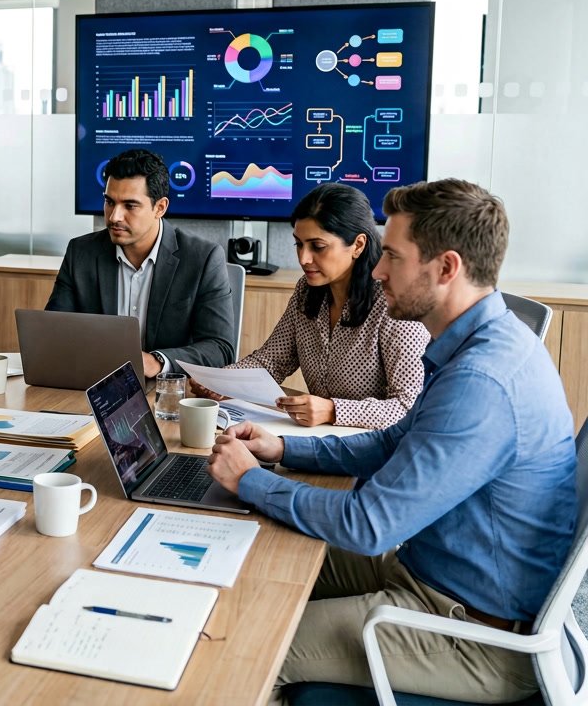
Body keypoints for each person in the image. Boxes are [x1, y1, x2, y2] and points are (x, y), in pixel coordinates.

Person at [207, 179, 577, 704]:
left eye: (393, 256)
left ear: (446, 268)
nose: (377, 269)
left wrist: (251, 482)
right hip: (430, 571)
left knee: (251, 640)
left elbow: (368, 525)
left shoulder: (483, 382)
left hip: (472, 632)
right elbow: (389, 442)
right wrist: (284, 450)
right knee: (258, 554)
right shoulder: (477, 342)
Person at [191, 183, 428, 429]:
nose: (304, 258)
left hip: (374, 452)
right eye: (299, 244)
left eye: (318, 246)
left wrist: (334, 410)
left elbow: (408, 407)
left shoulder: (394, 304)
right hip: (319, 442)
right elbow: (271, 361)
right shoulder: (306, 290)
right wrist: (222, 381)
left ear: (358, 245)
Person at [46, 148, 235, 378]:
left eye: (130, 206)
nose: (114, 216)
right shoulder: (81, 253)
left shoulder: (203, 258)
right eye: (109, 202)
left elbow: (220, 349)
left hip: (168, 394)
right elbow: (54, 335)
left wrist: (158, 361)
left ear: (160, 208)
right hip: (95, 386)